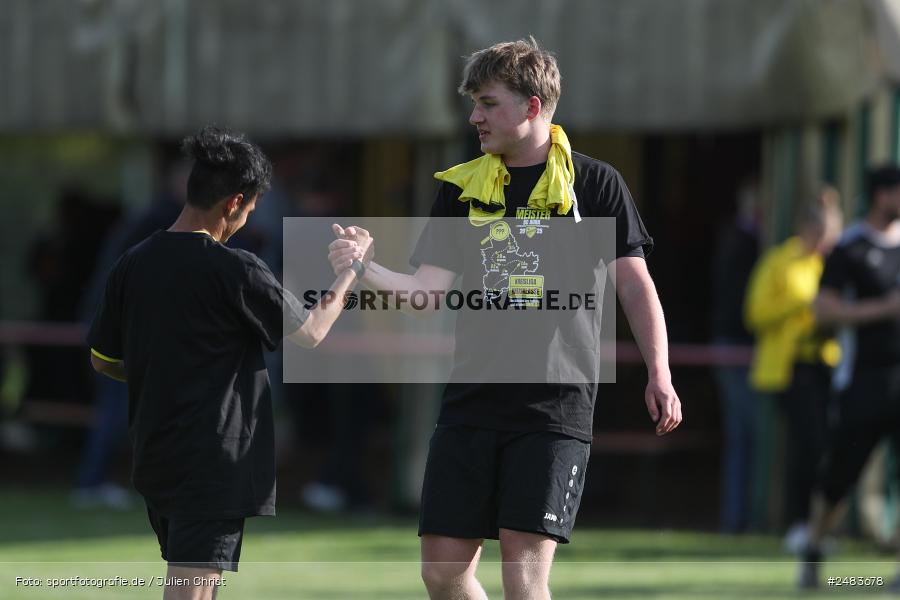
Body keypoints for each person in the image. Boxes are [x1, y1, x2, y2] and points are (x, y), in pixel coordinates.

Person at [329, 38, 682, 600]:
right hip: (471, 402)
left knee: (523, 579)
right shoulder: (462, 189)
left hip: (553, 408)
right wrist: (366, 267)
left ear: (532, 107)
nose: (475, 117)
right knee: (441, 574)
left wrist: (658, 372)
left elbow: (635, 284)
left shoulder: (595, 185)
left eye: (489, 103)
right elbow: (426, 293)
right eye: (474, 104)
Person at [87, 126, 367, 600]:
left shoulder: (132, 263)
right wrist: (350, 272)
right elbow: (312, 331)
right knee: (190, 591)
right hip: (214, 459)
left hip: (155, 455)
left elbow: (105, 360)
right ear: (234, 203)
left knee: (195, 583)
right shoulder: (236, 269)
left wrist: (166, 368)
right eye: (251, 208)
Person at [797, 165, 900, 589]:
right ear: (882, 196)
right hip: (863, 382)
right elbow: (823, 312)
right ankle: (815, 550)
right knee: (839, 479)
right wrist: (884, 309)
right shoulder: (851, 249)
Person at [744, 187, 843, 548]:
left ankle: (818, 527)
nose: (823, 244)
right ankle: (799, 523)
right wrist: (800, 303)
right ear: (805, 229)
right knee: (807, 446)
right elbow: (754, 314)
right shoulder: (779, 261)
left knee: (825, 448)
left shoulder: (829, 264)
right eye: (820, 236)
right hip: (789, 367)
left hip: (824, 363)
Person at [710, 179, 760, 533]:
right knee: (747, 434)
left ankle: (740, 517)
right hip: (735, 347)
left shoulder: (739, 239)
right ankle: (739, 519)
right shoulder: (741, 242)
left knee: (744, 435)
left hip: (734, 345)